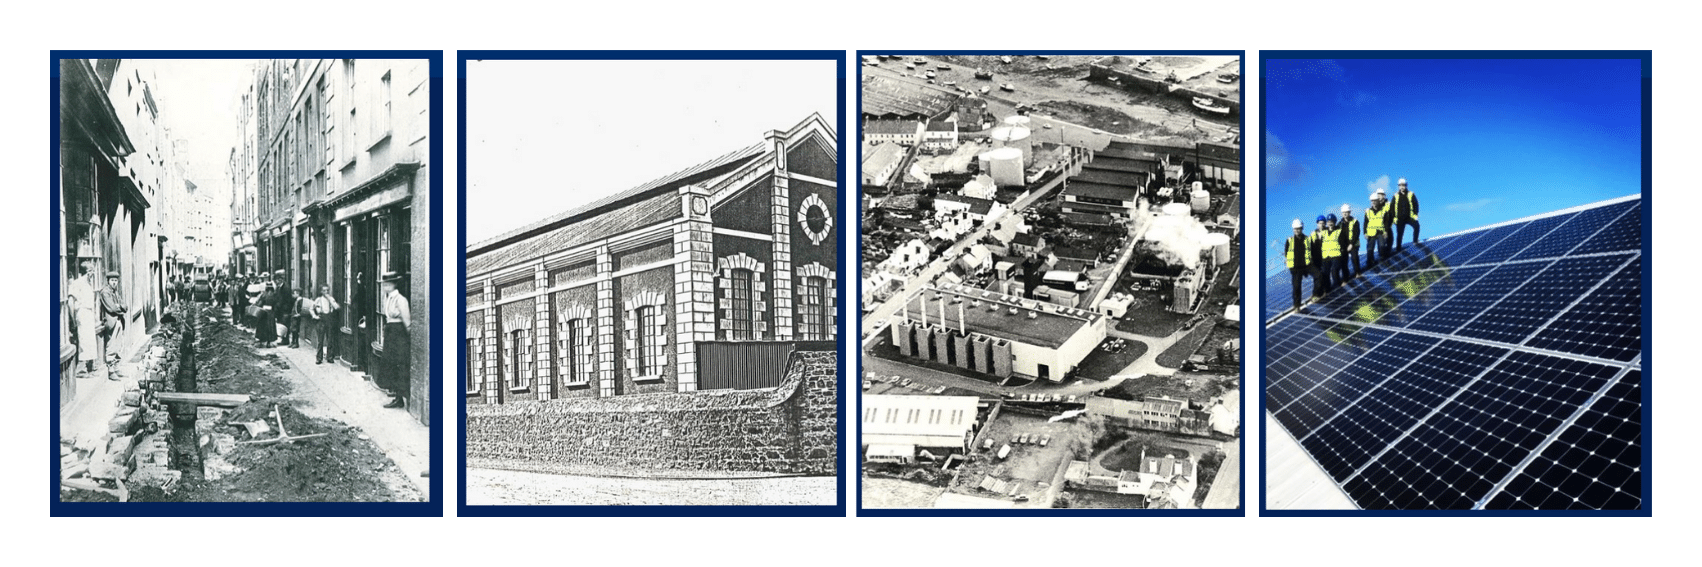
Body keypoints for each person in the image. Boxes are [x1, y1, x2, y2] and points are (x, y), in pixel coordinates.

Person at [379, 272, 411, 409]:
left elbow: (407, 320)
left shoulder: (400, 299)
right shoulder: (387, 298)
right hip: (391, 332)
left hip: (398, 334)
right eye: (384, 284)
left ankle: (402, 397)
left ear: (394, 285)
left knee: (399, 363)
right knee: (391, 363)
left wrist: (409, 336)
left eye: (388, 284)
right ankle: (397, 398)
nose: (385, 287)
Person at [67, 260, 99, 378]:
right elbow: (70, 302)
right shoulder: (77, 283)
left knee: (90, 340)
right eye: (92, 271)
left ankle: (89, 368)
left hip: (89, 313)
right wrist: (74, 319)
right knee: (84, 340)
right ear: (88, 272)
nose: (93, 274)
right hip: (82, 313)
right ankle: (81, 370)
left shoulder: (88, 284)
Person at [98, 271, 128, 380]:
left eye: (116, 280)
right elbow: (111, 308)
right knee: (111, 345)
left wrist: (119, 306)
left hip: (119, 320)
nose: (114, 283)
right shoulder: (105, 292)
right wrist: (120, 308)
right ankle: (111, 371)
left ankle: (116, 368)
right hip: (111, 322)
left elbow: (125, 306)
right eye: (112, 280)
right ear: (108, 281)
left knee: (118, 345)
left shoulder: (115, 292)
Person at [1283, 218, 1311, 313]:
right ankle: (1297, 305)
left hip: (1306, 266)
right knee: (1296, 287)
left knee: (1318, 275)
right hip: (1295, 268)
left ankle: (1320, 294)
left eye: (1298, 228)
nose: (1297, 230)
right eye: (1295, 229)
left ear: (1302, 228)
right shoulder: (1289, 240)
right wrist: (1289, 264)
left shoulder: (1307, 239)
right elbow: (1287, 253)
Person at [308, 284, 340, 364]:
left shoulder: (331, 299)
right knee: (320, 340)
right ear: (321, 291)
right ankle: (319, 358)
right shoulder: (318, 300)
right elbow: (311, 309)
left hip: (329, 319)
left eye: (327, 290)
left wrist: (330, 299)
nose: (326, 292)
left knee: (330, 339)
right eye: (324, 290)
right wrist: (314, 316)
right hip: (321, 320)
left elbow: (337, 307)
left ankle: (329, 357)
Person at [1364, 189, 1393, 269]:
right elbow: (1365, 223)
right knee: (1370, 249)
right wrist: (1365, 232)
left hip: (1381, 231)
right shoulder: (1368, 211)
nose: (1373, 202)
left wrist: (1386, 231)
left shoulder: (1384, 209)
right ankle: (1370, 263)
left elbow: (1386, 221)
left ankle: (1383, 261)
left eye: (1375, 201)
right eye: (1372, 201)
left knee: (1382, 246)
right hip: (1371, 233)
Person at [1307, 214, 1330, 301]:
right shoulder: (1313, 234)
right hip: (1316, 258)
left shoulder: (1328, 231)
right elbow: (1308, 246)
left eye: (1323, 223)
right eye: (1320, 223)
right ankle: (1317, 293)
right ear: (1317, 224)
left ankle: (1326, 291)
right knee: (1317, 277)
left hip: (1325, 257)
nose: (1322, 225)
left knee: (1325, 274)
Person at [1393, 177, 1421, 249]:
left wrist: (1415, 214)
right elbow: (1392, 208)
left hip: (1409, 217)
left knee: (1417, 226)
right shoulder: (1395, 196)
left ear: (1406, 185)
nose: (1402, 187)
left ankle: (1415, 241)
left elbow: (1416, 204)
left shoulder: (1411, 194)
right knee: (1400, 234)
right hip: (1399, 218)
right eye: (1400, 185)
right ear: (1398, 186)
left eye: (1403, 185)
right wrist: (1394, 218)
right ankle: (1398, 247)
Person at [1338, 203, 1361, 281]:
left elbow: (1356, 233)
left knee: (1354, 258)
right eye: (1343, 212)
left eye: (1346, 212)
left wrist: (1351, 244)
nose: (1345, 214)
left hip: (1354, 244)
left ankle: (1357, 272)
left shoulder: (1355, 221)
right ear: (1341, 213)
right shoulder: (1339, 224)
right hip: (1344, 246)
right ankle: (1346, 277)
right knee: (1343, 261)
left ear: (1349, 212)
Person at [254, 278, 277, 347]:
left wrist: (257, 305)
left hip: (263, 312)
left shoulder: (263, 295)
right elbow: (276, 304)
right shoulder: (274, 295)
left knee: (262, 327)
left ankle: (261, 341)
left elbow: (260, 303)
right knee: (270, 327)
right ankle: (268, 342)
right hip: (271, 313)